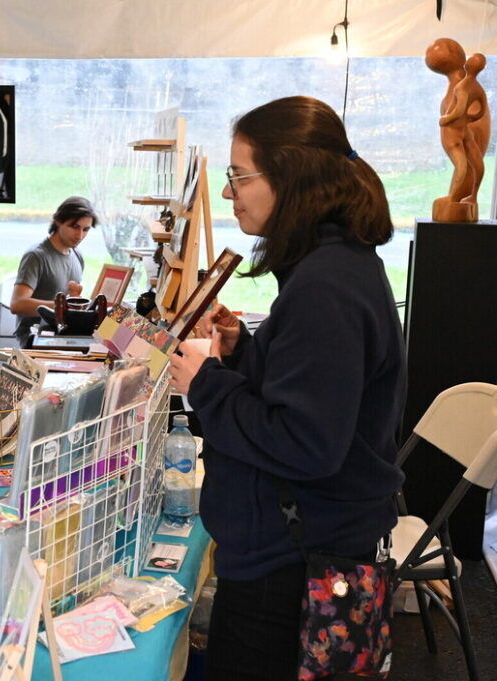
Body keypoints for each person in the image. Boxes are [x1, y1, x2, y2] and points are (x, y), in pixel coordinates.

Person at [166, 96, 406, 681]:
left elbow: (305, 443)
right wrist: (245, 352)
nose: (229, 193)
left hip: (291, 571)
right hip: (293, 554)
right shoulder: (333, 270)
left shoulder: (325, 286)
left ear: (289, 176)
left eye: (238, 176)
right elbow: (313, 393)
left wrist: (207, 383)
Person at [9, 196, 98, 347]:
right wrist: (62, 308)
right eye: (74, 227)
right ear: (58, 221)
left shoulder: (77, 255)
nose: (80, 235)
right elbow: (17, 304)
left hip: (64, 335)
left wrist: (74, 301)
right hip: (36, 337)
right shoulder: (36, 256)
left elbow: (67, 299)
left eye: (86, 229)